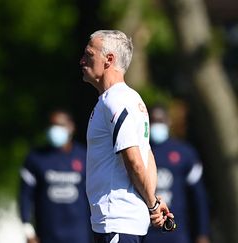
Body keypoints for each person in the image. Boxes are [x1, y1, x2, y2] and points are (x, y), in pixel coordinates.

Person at [79, 30, 173, 243]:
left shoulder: (116, 101)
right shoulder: (131, 99)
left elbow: (135, 161)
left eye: (89, 54)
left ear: (108, 60)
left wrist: (153, 205)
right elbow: (147, 156)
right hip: (121, 223)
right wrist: (154, 199)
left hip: (117, 221)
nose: (82, 60)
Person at [19, 109, 93, 243]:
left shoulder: (85, 156)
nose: (55, 129)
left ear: (71, 127)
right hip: (47, 234)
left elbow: (95, 194)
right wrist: (28, 230)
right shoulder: (36, 158)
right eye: (52, 125)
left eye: (60, 125)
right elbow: (25, 196)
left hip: (80, 234)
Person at [144, 105, 210, 243]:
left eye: (161, 121)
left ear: (168, 122)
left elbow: (198, 197)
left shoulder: (184, 153)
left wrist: (202, 232)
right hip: (146, 230)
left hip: (176, 230)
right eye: (154, 121)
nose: (157, 125)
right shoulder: (139, 152)